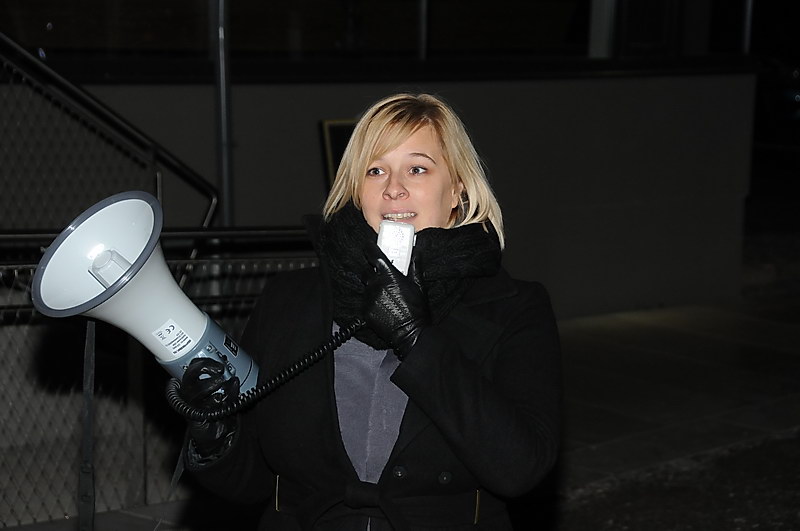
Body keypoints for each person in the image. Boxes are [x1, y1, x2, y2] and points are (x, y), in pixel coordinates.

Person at [181, 93, 561, 530]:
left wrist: (415, 338)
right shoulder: (290, 300)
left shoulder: (513, 307)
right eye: (375, 170)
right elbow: (251, 481)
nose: (393, 188)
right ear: (356, 191)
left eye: (417, 169)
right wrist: (216, 436)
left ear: (457, 189)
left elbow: (521, 468)